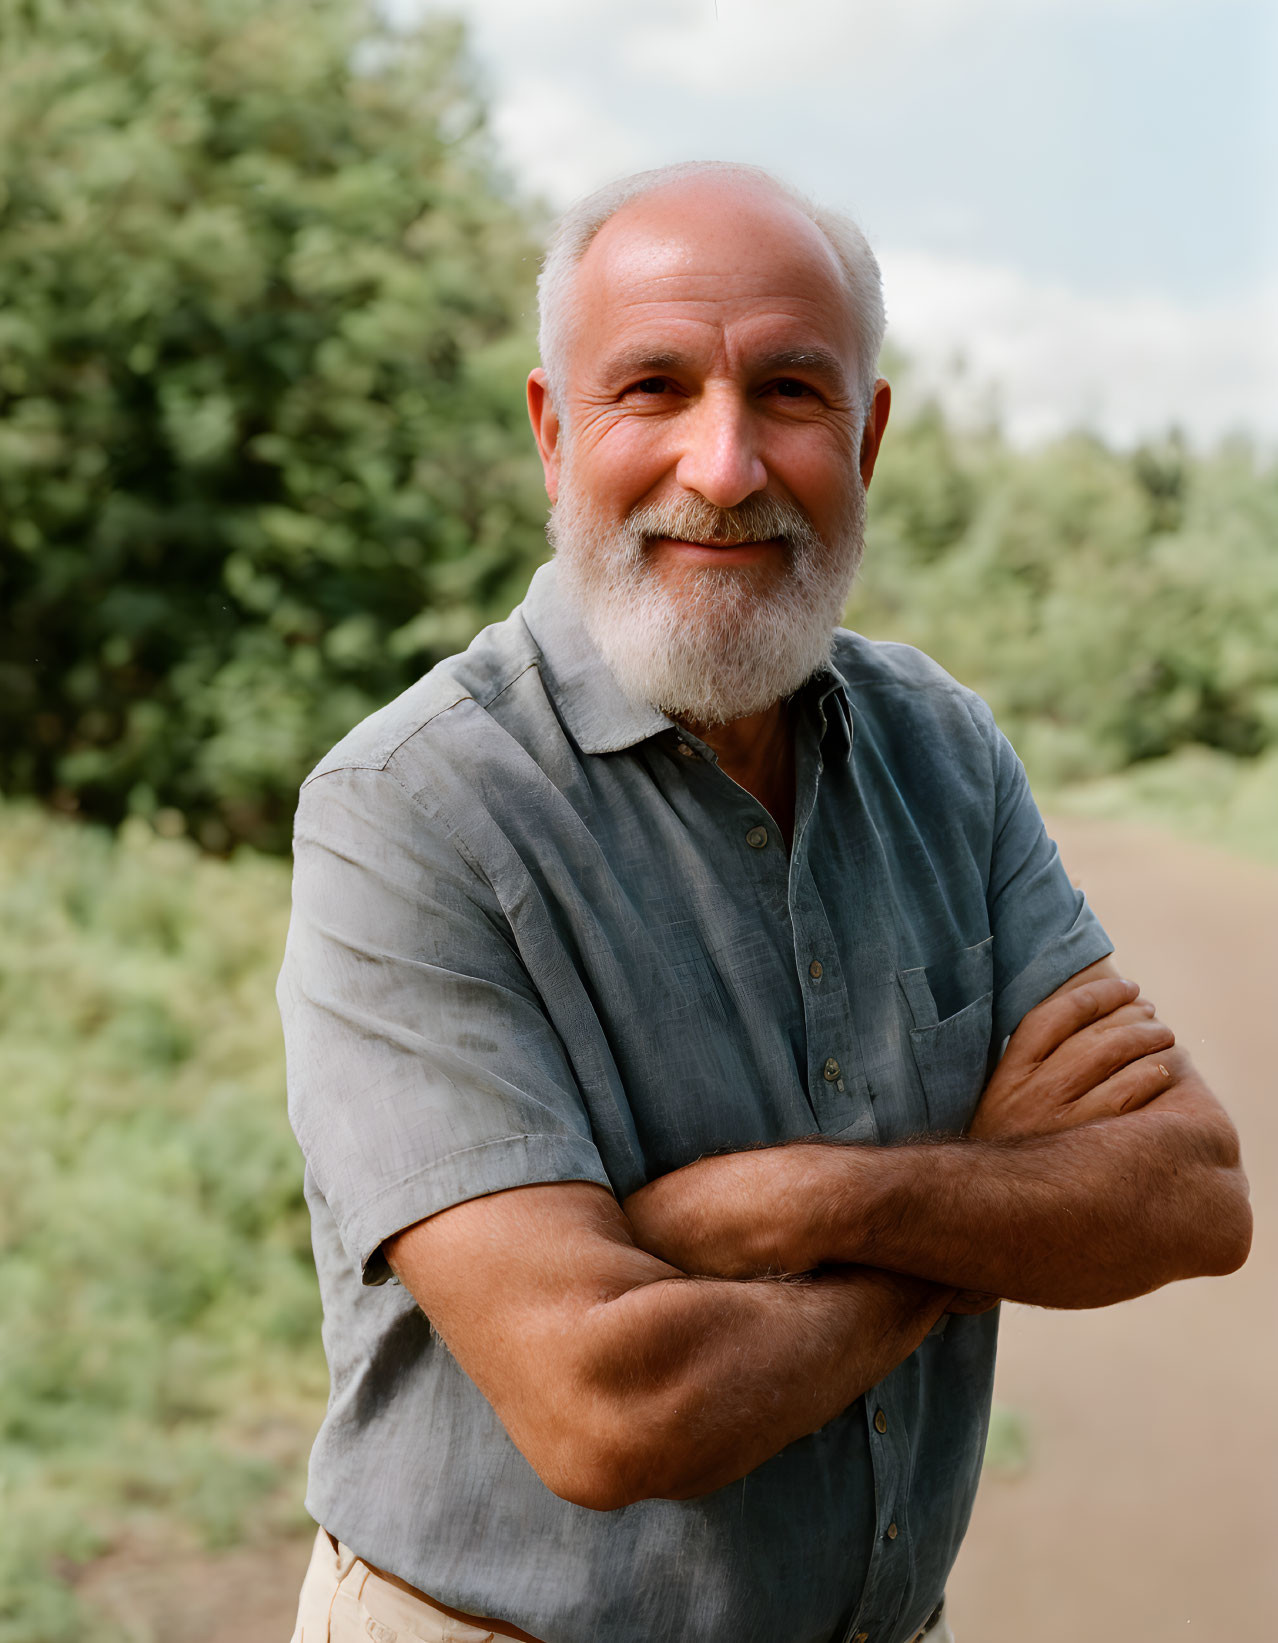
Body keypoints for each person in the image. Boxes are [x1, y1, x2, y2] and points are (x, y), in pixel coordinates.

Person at [278, 162, 1251, 1643]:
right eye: (652, 388)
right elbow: (611, 1410)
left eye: (789, 393)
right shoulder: (411, 809)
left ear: (864, 436)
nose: (723, 468)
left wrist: (818, 1201)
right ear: (553, 434)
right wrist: (979, 1210)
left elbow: (1187, 1194)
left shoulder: (943, 750)